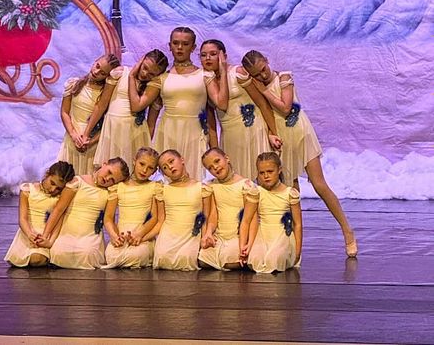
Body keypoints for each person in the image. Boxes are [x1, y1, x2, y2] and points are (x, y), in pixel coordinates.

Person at [241, 50, 357, 257]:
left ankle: (347, 231)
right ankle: (294, 245)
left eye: (263, 69)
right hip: (282, 139)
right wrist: (270, 133)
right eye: (257, 74)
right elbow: (264, 113)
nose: (262, 76)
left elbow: (285, 108)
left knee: (319, 185)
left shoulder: (284, 77)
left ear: (267, 61)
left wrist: (264, 90)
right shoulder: (255, 85)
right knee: (291, 191)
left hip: (301, 134)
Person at [128, 27, 229, 180]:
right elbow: (137, 106)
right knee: (169, 181)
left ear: (193, 47)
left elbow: (221, 104)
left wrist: (223, 70)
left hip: (194, 133)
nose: (180, 47)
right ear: (170, 46)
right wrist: (131, 76)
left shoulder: (205, 75)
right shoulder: (161, 78)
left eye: (185, 44)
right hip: (168, 132)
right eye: (175, 43)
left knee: (193, 180)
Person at [199, 39, 282, 180]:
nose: (208, 58)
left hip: (253, 131)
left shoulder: (238, 73)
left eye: (213, 54)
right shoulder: (204, 81)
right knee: (238, 180)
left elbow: (262, 104)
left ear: (223, 56)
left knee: (263, 177)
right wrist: (215, 149)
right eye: (203, 55)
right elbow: (211, 120)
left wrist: (273, 133)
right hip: (230, 136)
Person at [35, 157, 129, 269]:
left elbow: (108, 219)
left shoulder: (110, 192)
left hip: (89, 236)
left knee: (88, 254)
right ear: (104, 164)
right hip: (67, 232)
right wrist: (45, 236)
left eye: (112, 180)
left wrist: (114, 236)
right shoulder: (78, 181)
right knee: (59, 252)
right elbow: (59, 210)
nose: (107, 178)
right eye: (109, 172)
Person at [82, 50, 168, 169]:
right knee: (108, 169)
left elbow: (146, 119)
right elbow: (101, 105)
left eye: (151, 74)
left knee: (129, 170)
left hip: (135, 135)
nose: (145, 74)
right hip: (113, 130)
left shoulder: (152, 86)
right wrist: (86, 133)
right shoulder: (120, 73)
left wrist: (132, 76)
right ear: (141, 60)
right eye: (145, 67)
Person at [57, 54, 121, 175]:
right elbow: (64, 112)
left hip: (92, 144)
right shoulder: (74, 84)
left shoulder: (106, 94)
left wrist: (90, 141)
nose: (96, 72)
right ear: (95, 61)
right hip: (71, 139)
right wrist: (73, 134)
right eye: (97, 66)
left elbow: (107, 124)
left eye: (102, 73)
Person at [4, 161, 75, 267]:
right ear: (47, 174)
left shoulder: (60, 197)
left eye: (59, 188)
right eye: (52, 183)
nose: (53, 189)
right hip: (28, 232)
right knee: (17, 260)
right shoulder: (28, 190)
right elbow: (23, 218)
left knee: (36, 259)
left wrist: (50, 242)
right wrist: (29, 234)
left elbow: (59, 220)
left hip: (46, 235)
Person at [199, 148, 259, 270]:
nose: (215, 168)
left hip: (238, 236)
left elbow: (252, 218)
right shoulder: (212, 186)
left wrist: (247, 242)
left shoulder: (245, 185)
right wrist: (209, 232)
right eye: (210, 168)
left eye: (217, 161)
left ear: (226, 158)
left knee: (230, 259)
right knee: (203, 259)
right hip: (221, 235)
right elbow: (213, 215)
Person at [153, 149, 212, 271]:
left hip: (190, 235)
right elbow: (160, 220)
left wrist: (205, 236)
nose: (170, 167)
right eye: (165, 167)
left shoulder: (202, 188)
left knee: (186, 259)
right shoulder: (162, 190)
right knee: (163, 258)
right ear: (164, 174)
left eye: (171, 161)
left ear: (182, 159)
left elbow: (206, 217)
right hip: (169, 235)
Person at [103, 147, 161, 268]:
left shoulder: (155, 187)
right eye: (142, 164)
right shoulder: (118, 187)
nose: (144, 170)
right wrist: (114, 236)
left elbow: (154, 217)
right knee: (111, 255)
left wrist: (140, 235)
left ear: (154, 171)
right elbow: (108, 217)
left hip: (142, 236)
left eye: (150, 168)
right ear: (134, 161)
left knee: (136, 255)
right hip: (122, 236)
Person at [248, 152, 302, 273]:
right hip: (263, 234)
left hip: (282, 236)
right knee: (255, 260)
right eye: (262, 173)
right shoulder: (257, 192)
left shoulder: (289, 193)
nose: (266, 176)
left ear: (279, 170)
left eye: (270, 171)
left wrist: (298, 251)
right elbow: (248, 220)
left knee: (274, 259)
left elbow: (297, 224)